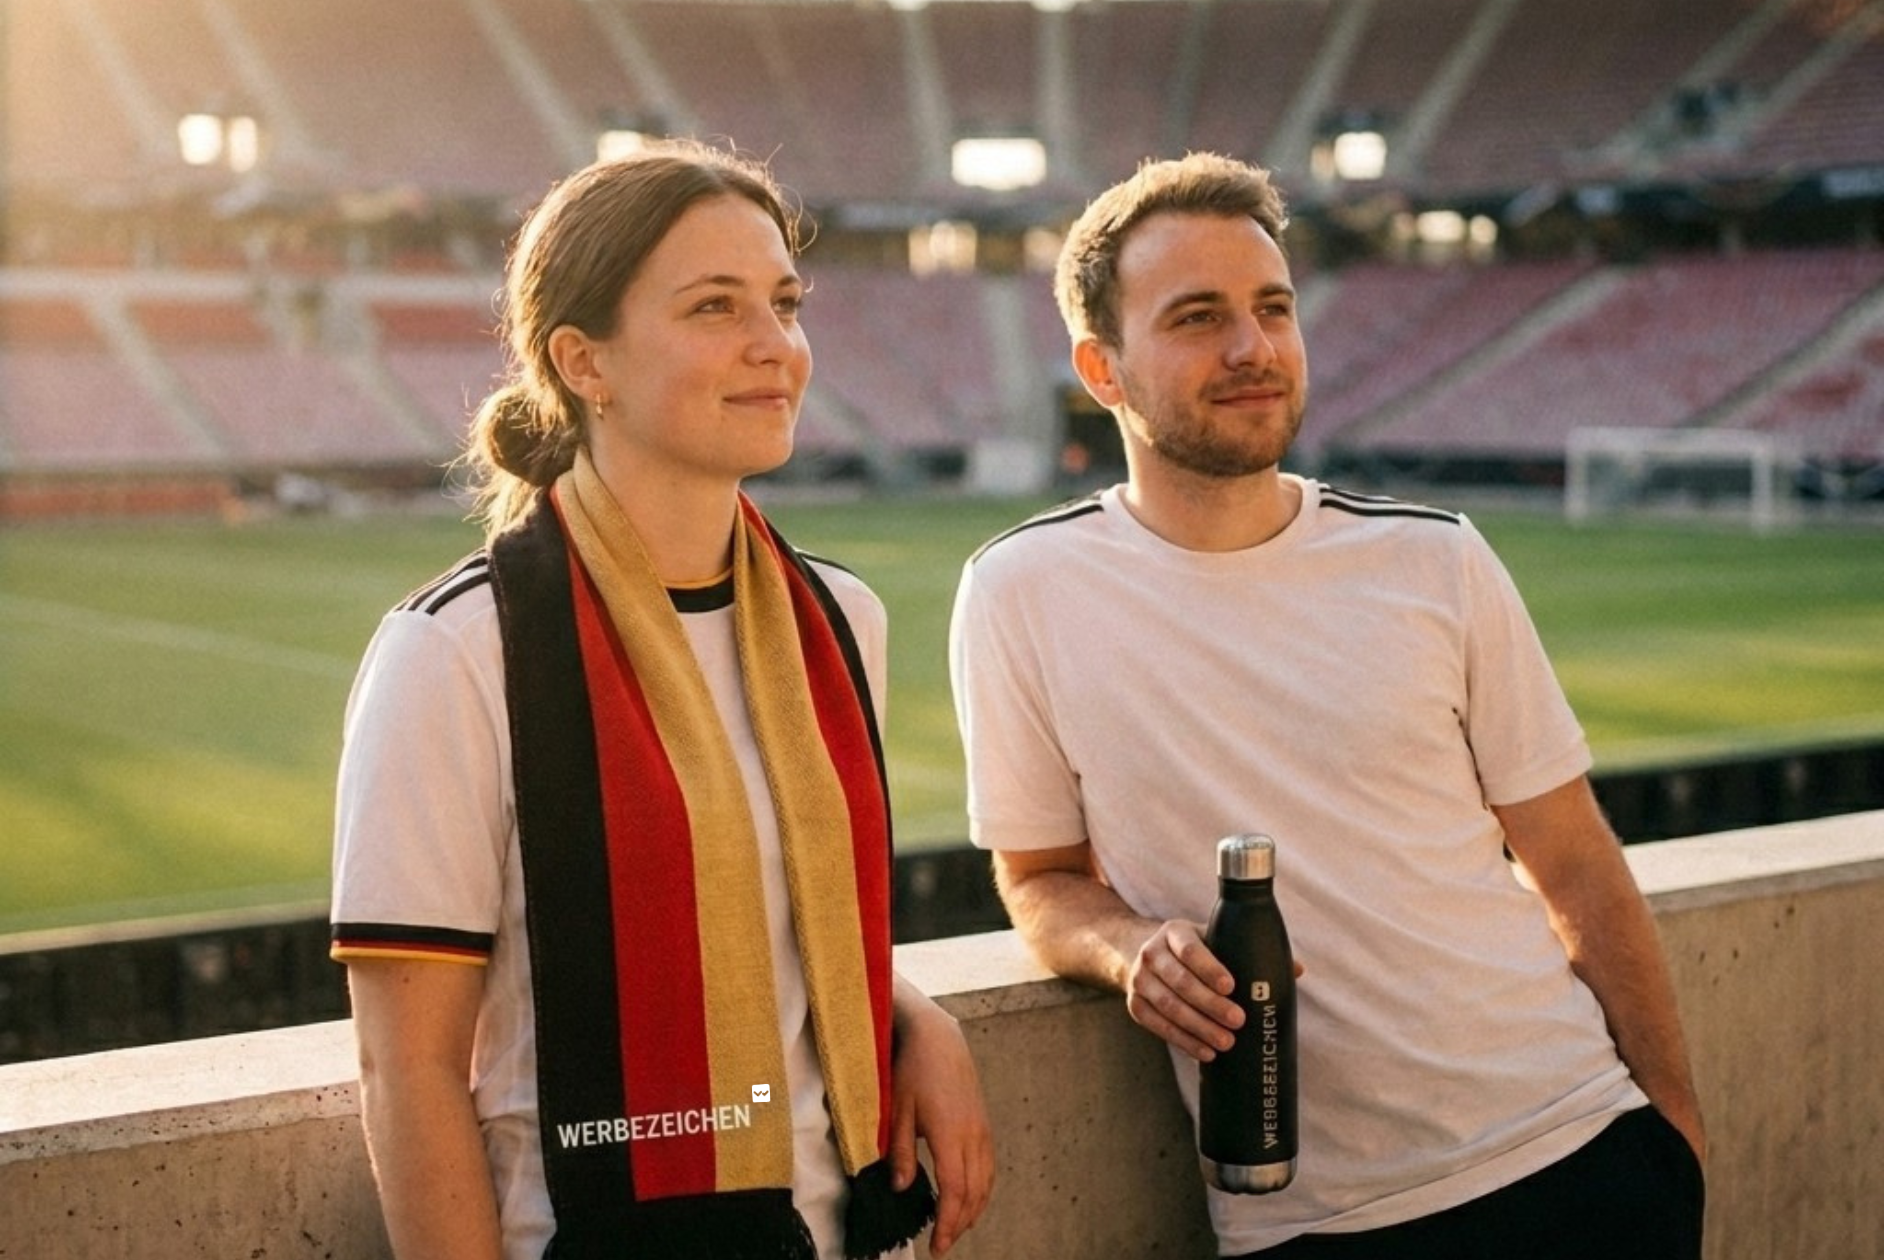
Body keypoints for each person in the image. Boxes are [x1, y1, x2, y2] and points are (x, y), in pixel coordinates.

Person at [948, 153, 1705, 1257]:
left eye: (1273, 308)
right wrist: (1131, 951)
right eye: (1199, 317)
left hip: (1580, 1155)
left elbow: (1574, 861)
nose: (1253, 347)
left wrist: (1674, 1135)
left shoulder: (1434, 557)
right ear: (1101, 369)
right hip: (1309, 1220)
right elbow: (1039, 881)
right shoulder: (1019, 592)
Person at [331, 140, 992, 1260]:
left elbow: (776, 914)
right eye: (714, 307)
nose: (774, 346)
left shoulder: (841, 620)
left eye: (785, 302)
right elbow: (408, 1069)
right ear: (584, 362)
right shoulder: (457, 652)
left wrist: (905, 1006)